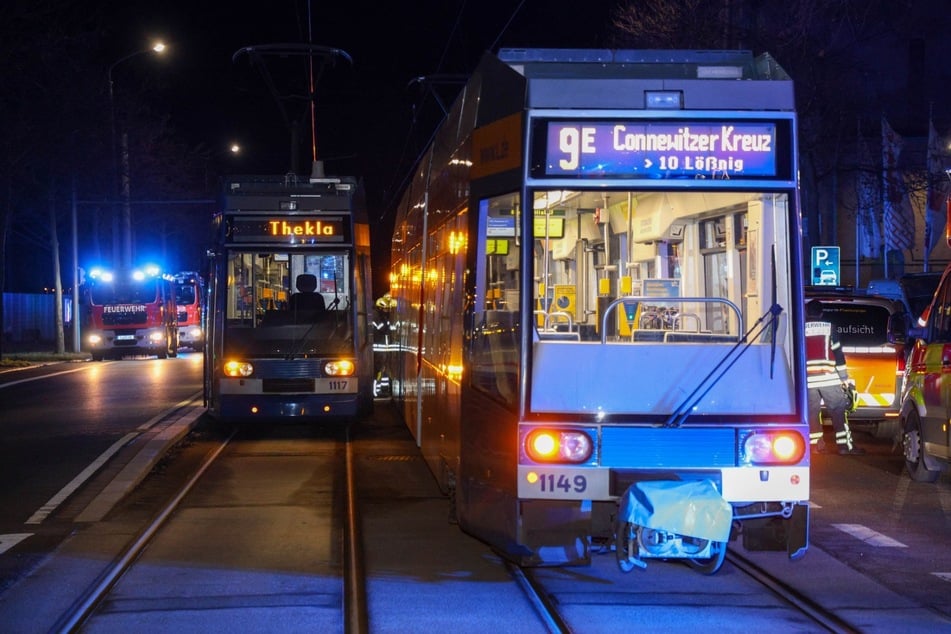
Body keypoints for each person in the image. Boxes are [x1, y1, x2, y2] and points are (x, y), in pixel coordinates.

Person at [805, 299, 865, 455]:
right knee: (838, 411)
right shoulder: (830, 328)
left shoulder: (799, 328)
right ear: (821, 313)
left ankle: (816, 446)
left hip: (808, 380)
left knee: (812, 412)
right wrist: (844, 378)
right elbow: (838, 354)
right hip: (828, 377)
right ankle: (844, 447)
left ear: (806, 312)